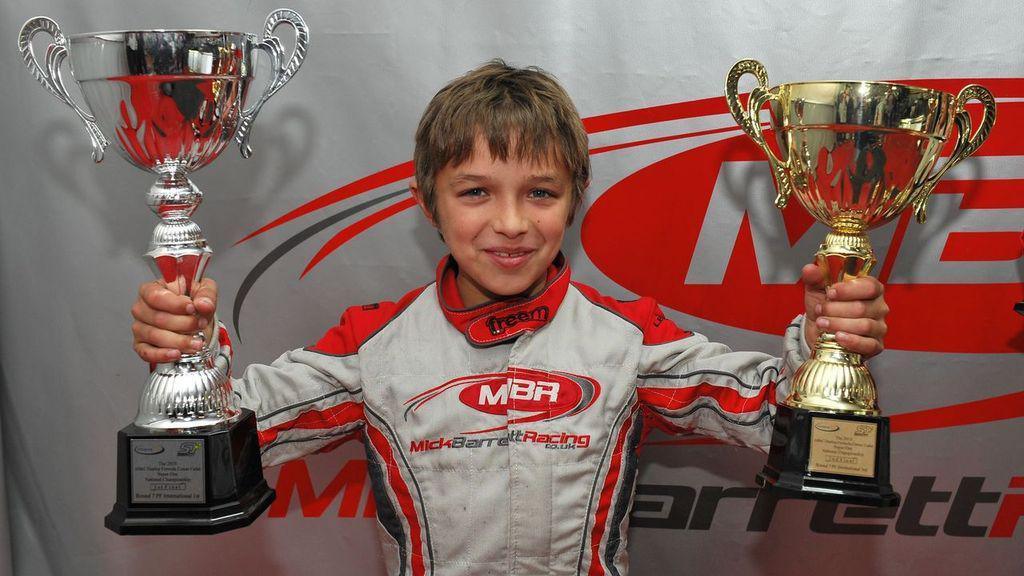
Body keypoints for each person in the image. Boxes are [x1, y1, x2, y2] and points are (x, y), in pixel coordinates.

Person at [130, 60, 888, 576]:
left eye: (540, 192)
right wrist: (189, 357)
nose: (511, 223)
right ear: (429, 204)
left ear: (574, 203)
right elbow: (238, 431)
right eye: (475, 193)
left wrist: (824, 345)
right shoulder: (374, 342)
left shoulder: (627, 336)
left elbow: (771, 416)